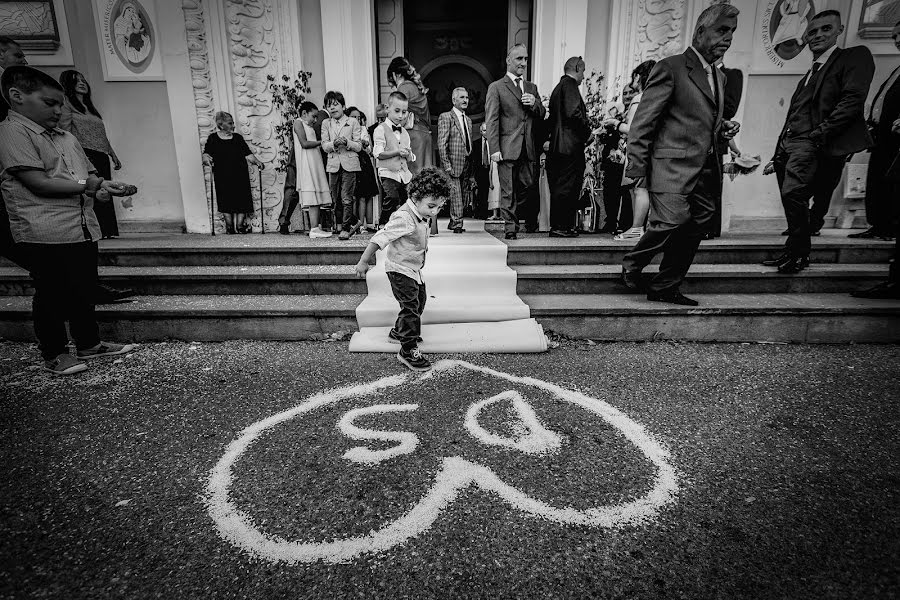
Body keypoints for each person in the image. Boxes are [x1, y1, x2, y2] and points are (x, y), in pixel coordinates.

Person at [0, 66, 138, 375]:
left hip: (81, 224)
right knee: (51, 291)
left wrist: (102, 188)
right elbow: (38, 182)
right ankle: (54, 352)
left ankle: (89, 342)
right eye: (49, 102)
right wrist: (91, 186)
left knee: (83, 285)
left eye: (60, 103)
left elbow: (89, 174)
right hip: (43, 228)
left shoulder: (66, 137)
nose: (59, 110)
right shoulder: (12, 131)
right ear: (17, 97)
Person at [621, 4, 741, 306]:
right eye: (722, 30)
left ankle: (665, 285)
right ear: (701, 32)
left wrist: (723, 130)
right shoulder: (671, 67)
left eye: (732, 32)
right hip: (671, 165)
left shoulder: (720, 77)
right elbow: (643, 122)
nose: (727, 38)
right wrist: (636, 168)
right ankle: (633, 263)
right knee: (670, 221)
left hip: (705, 169)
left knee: (696, 228)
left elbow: (700, 119)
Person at [762, 10, 875, 273]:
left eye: (826, 29)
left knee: (794, 193)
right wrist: (778, 152)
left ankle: (800, 255)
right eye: (812, 32)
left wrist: (818, 135)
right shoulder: (809, 74)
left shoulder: (852, 57)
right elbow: (795, 113)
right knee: (791, 198)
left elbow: (851, 101)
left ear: (840, 29)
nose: (818, 35)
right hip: (790, 144)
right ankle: (792, 250)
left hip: (813, 142)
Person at [354, 167, 450, 372]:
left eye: (439, 208)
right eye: (431, 206)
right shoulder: (404, 217)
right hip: (399, 269)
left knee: (419, 301)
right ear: (415, 197)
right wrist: (364, 261)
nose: (434, 212)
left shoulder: (420, 214)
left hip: (414, 268)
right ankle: (407, 349)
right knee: (411, 307)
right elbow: (381, 237)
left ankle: (399, 332)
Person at [485, 43, 546, 240]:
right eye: (519, 59)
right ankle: (510, 228)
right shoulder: (496, 87)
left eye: (526, 59)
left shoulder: (531, 87)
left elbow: (542, 114)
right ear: (508, 60)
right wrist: (494, 148)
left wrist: (535, 104)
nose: (523, 63)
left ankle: (524, 220)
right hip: (506, 148)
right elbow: (492, 119)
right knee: (508, 191)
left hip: (528, 148)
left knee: (528, 187)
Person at [58, 70, 124, 239]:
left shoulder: (90, 109)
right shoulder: (66, 104)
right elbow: (66, 132)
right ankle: (93, 230)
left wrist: (113, 154)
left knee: (105, 191)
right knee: (92, 191)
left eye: (83, 80)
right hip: (84, 154)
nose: (82, 83)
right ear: (68, 85)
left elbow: (101, 135)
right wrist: (75, 156)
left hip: (101, 154)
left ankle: (107, 230)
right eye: (76, 81)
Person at [852, 20, 900, 241]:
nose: (897, 40)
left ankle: (889, 227)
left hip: (896, 140)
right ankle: (878, 225)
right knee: (876, 182)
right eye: (894, 36)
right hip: (882, 136)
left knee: (890, 184)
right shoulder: (897, 68)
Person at [610, 60, 656, 241]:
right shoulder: (657, 97)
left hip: (639, 149)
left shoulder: (640, 98)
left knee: (639, 189)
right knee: (645, 189)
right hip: (653, 149)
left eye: (635, 76)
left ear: (640, 76)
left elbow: (633, 129)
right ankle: (642, 227)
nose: (633, 80)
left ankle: (637, 227)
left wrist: (615, 124)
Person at [547, 57, 590, 238]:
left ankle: (562, 225)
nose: (584, 76)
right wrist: (587, 133)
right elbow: (574, 113)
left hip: (558, 146)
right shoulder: (570, 85)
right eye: (583, 71)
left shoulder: (558, 88)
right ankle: (561, 226)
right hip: (570, 146)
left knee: (560, 187)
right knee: (568, 187)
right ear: (577, 68)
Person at [202, 111, 264, 234]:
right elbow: (206, 154)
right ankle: (229, 227)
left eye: (232, 123)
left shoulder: (237, 138)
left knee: (242, 198)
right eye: (230, 123)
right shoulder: (213, 138)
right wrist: (206, 159)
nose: (233, 126)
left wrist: (258, 162)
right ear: (221, 125)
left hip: (240, 174)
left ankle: (240, 226)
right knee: (225, 199)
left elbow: (248, 154)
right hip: (222, 175)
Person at [320, 91, 363, 240]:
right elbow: (324, 145)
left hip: (350, 164)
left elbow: (358, 146)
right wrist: (333, 143)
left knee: (346, 198)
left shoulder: (353, 122)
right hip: (333, 164)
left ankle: (345, 228)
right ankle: (355, 221)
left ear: (343, 106)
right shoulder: (326, 123)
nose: (332, 108)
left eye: (335, 104)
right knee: (335, 199)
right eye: (329, 105)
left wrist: (347, 142)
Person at [286, 101, 331, 238]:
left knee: (316, 196)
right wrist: (322, 143)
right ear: (304, 113)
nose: (315, 120)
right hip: (307, 162)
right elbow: (304, 143)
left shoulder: (308, 124)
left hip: (314, 160)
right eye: (313, 116)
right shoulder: (298, 122)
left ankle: (315, 228)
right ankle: (313, 229)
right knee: (311, 196)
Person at [374, 91, 416, 227]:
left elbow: (410, 157)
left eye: (404, 112)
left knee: (409, 199)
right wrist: (397, 152)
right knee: (392, 197)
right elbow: (378, 153)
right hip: (388, 171)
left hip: (403, 173)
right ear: (387, 109)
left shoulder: (405, 132)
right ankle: (383, 223)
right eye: (397, 111)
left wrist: (408, 155)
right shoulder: (380, 129)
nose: (400, 115)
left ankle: (404, 225)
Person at [438, 87, 474, 233]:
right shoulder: (446, 117)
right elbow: (441, 143)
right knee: (456, 194)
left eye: (467, 97)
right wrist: (446, 165)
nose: (466, 100)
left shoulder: (469, 120)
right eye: (462, 97)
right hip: (452, 163)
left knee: (463, 194)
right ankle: (458, 224)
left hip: (466, 161)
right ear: (454, 100)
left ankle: (454, 222)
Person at [347, 106, 379, 231]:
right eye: (353, 117)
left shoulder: (363, 129)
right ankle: (357, 224)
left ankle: (369, 224)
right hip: (354, 162)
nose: (356, 119)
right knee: (357, 196)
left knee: (369, 194)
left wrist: (366, 145)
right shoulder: (346, 129)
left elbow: (370, 150)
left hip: (365, 163)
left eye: (358, 117)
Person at [481, 122, 501, 220]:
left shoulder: (495, 144)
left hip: (500, 170)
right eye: (484, 130)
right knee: (492, 193)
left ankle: (502, 214)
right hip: (491, 172)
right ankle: (493, 213)